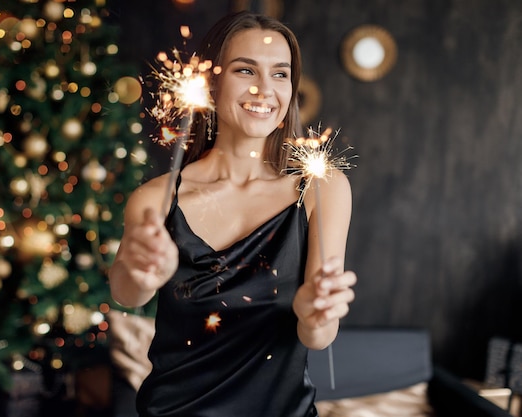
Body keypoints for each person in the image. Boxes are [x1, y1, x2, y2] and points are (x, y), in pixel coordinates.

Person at [109, 10, 357, 417]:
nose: (265, 90)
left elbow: (318, 336)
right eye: (246, 71)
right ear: (211, 82)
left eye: (280, 74)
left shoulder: (322, 189)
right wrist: (137, 274)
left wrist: (314, 314)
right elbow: (125, 291)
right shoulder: (157, 198)